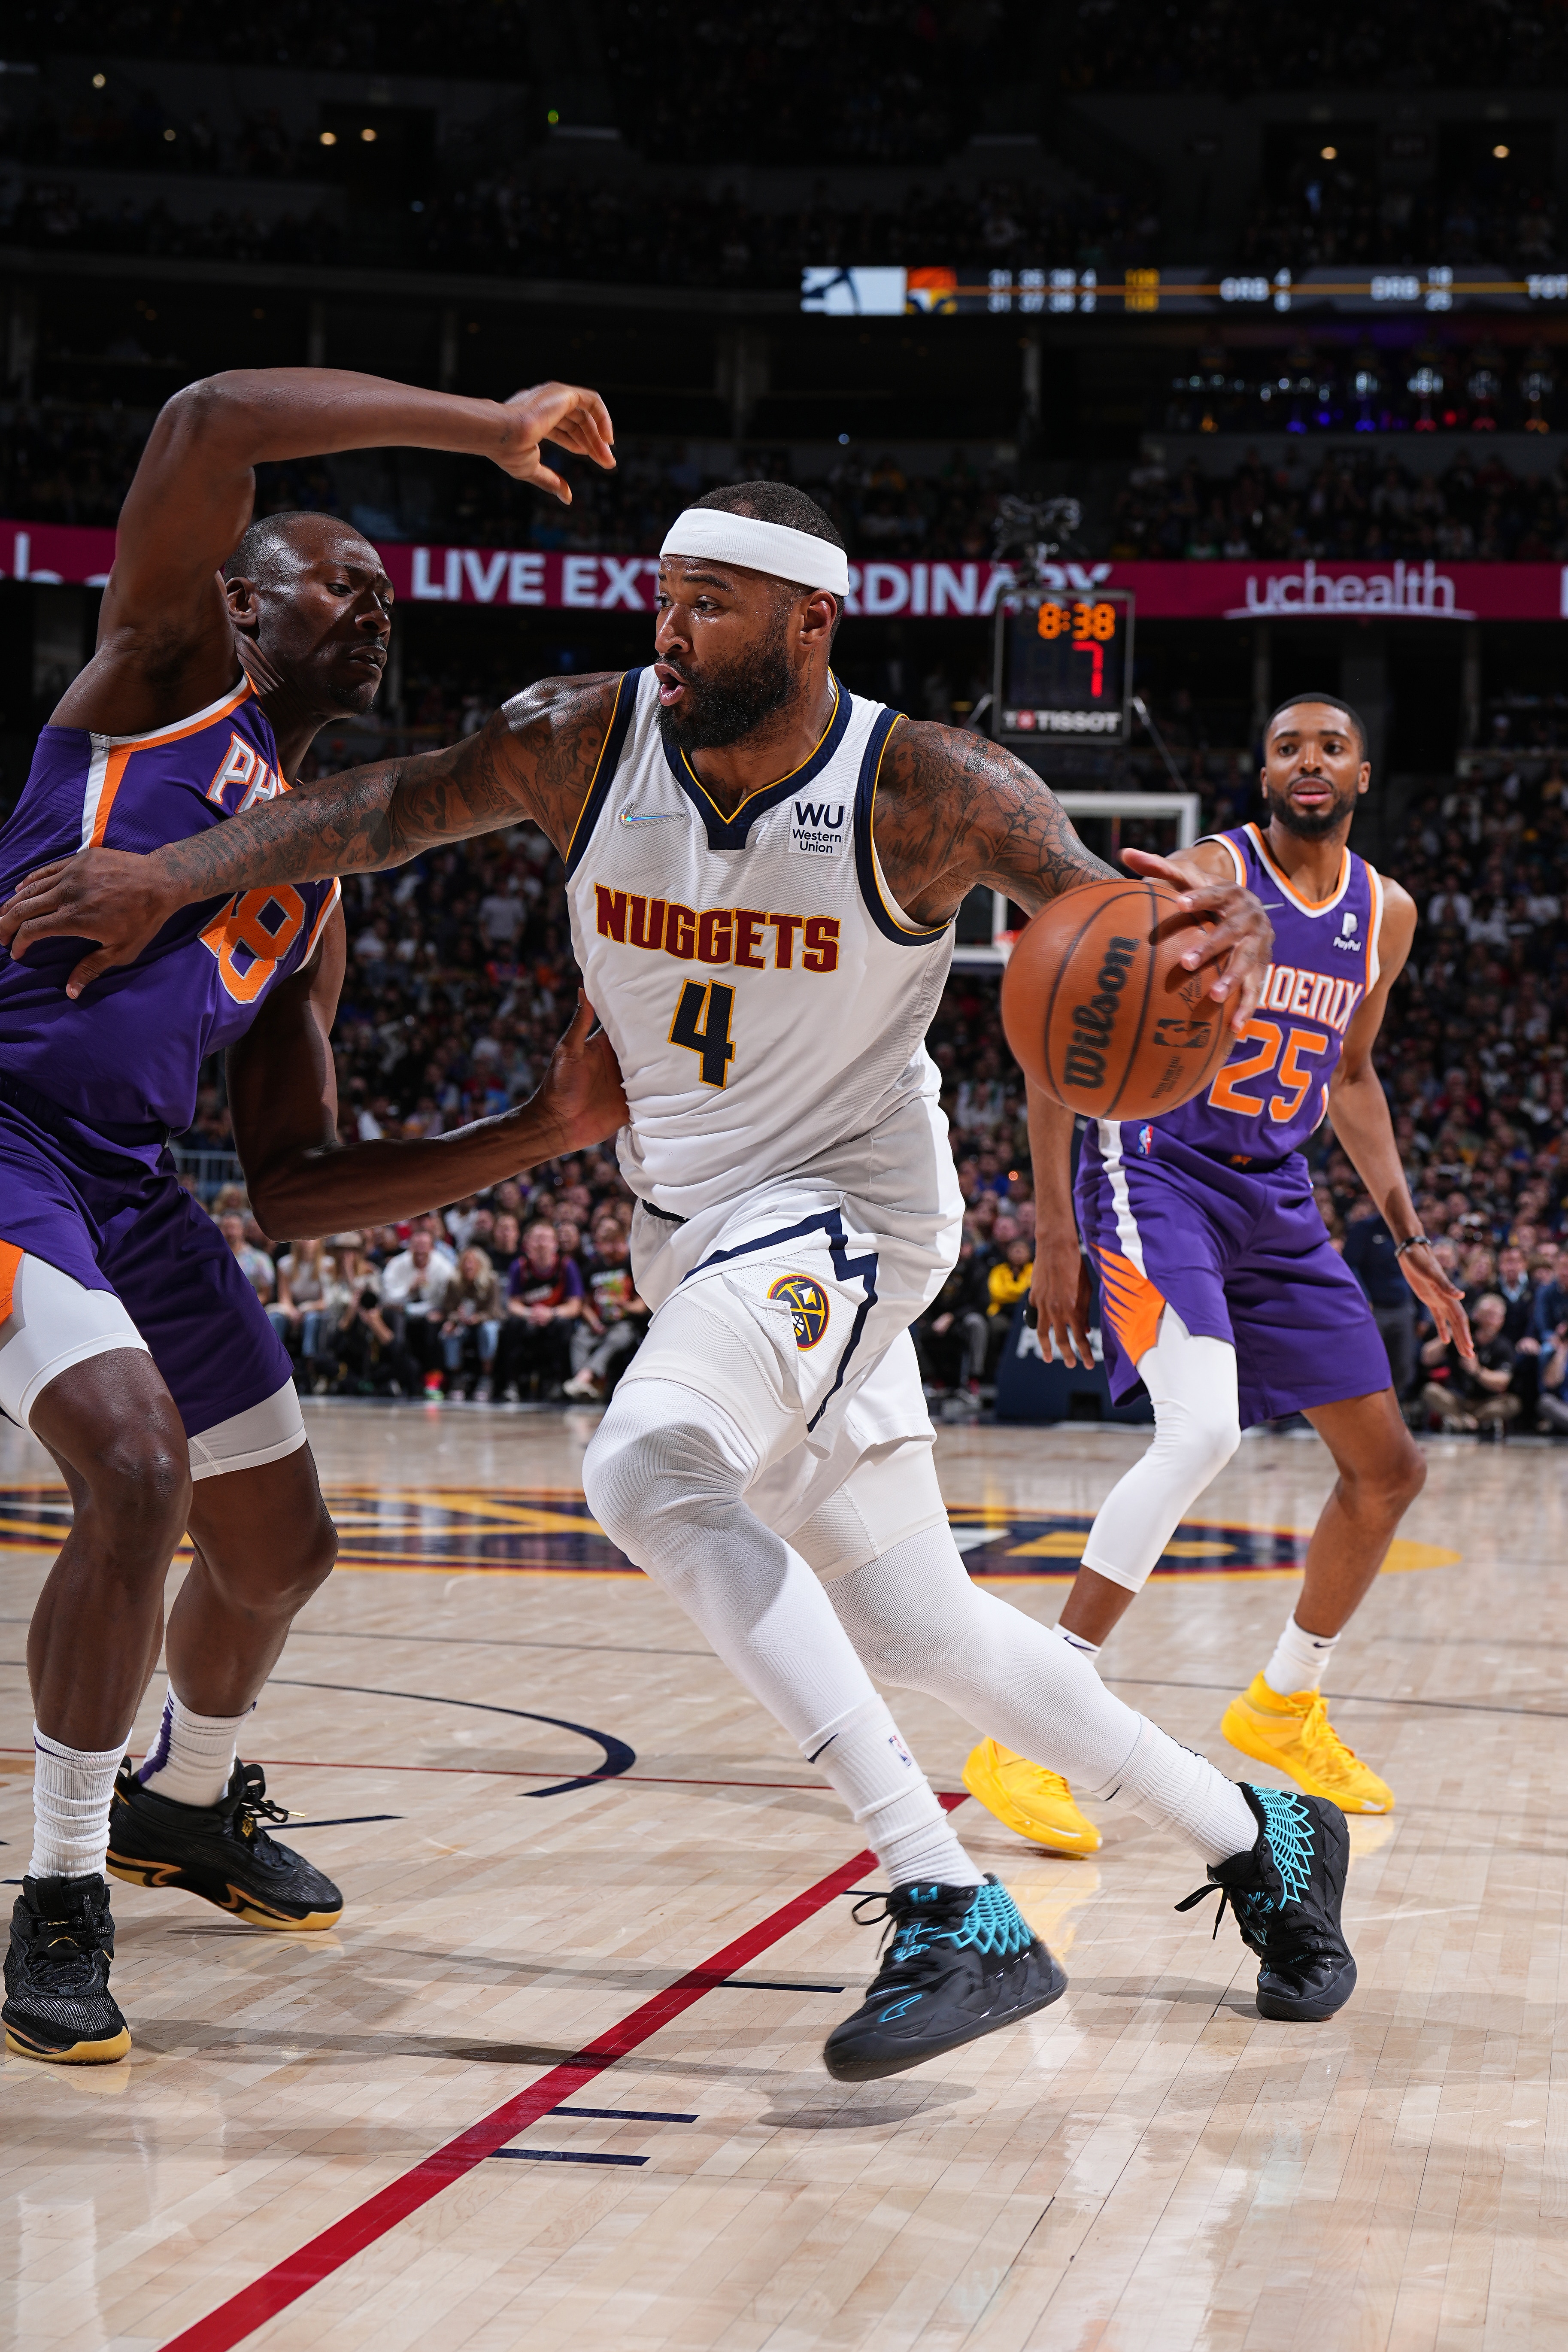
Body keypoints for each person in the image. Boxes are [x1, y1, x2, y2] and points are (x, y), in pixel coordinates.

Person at [2, 481, 1360, 2073]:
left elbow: (1111, 909)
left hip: (851, 1212)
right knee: (927, 1627)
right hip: (702, 1236)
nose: (670, 627)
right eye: (663, 596)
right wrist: (179, 875)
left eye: (708, 603)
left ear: (809, 622)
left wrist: (1222, 920)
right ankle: (1261, 1834)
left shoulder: (927, 785)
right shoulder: (579, 739)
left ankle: (943, 1898)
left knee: (648, 1467)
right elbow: (380, 812)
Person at [0, 361, 624, 2064]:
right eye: (339, 580)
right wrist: (490, 432)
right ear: (238, 611)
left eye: (386, 593)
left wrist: (540, 1127)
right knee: (136, 1467)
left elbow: (292, 1188)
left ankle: (181, 1804)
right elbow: (203, 415)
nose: (377, 606)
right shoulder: (161, 682)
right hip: (4, 1131)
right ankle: (59, 1884)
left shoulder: (309, 892)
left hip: (129, 1180)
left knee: (282, 1547)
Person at [974, 693, 1474, 1862]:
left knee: (1386, 1469)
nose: (1308, 759)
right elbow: (1072, 1040)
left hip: (1278, 1194)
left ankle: (1283, 1700)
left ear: (1362, 772)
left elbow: (1348, 1077)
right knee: (1197, 1432)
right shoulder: (1207, 871)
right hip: (1156, 1173)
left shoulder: (1380, 914)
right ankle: (1028, 1728)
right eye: (1286, 744)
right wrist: (1053, 1225)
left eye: (1330, 745)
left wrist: (1404, 1231)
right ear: (1262, 774)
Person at [496, 1219, 583, 1399]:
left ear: (555, 1244)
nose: (542, 1244)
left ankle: (558, 1383)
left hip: (554, 1319)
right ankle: (512, 1384)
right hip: (530, 1319)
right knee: (511, 1326)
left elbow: (575, 1306)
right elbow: (513, 1303)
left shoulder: (566, 1266)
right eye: (537, 1239)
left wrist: (551, 1313)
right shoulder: (519, 1267)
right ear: (528, 1244)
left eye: (546, 1239)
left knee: (563, 1327)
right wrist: (530, 1313)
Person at [564, 1220, 648, 1400]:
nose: (616, 1249)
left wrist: (625, 1305)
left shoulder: (631, 1267)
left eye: (619, 1243)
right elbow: (583, 1304)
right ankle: (588, 1385)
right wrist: (593, 1321)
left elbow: (642, 1305)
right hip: (598, 1321)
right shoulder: (592, 1268)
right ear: (602, 1246)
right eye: (610, 1244)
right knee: (580, 1339)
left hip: (624, 1323)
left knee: (616, 1339)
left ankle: (583, 1378)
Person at [1419, 1291, 1520, 1436]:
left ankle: (1467, 1421)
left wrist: (1477, 1371)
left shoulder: (1504, 1346)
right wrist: (1449, 1335)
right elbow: (1427, 1358)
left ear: (1502, 1320)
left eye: (1496, 1316)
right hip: (1456, 1399)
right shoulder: (1462, 1337)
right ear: (1477, 1315)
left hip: (1485, 1403)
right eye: (1487, 1315)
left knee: (1513, 1403)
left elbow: (1503, 1381)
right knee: (1430, 1391)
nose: (1491, 1321)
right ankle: (1464, 1420)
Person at [438, 1244, 504, 1399]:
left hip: (484, 1323)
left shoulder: (491, 1281)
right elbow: (448, 1310)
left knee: (489, 1330)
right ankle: (457, 1377)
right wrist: (456, 1318)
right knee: (449, 1332)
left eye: (473, 1262)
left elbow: (495, 1311)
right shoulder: (454, 1283)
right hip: (463, 1324)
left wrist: (477, 1318)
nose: (469, 1266)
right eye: (466, 1262)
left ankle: (486, 1377)